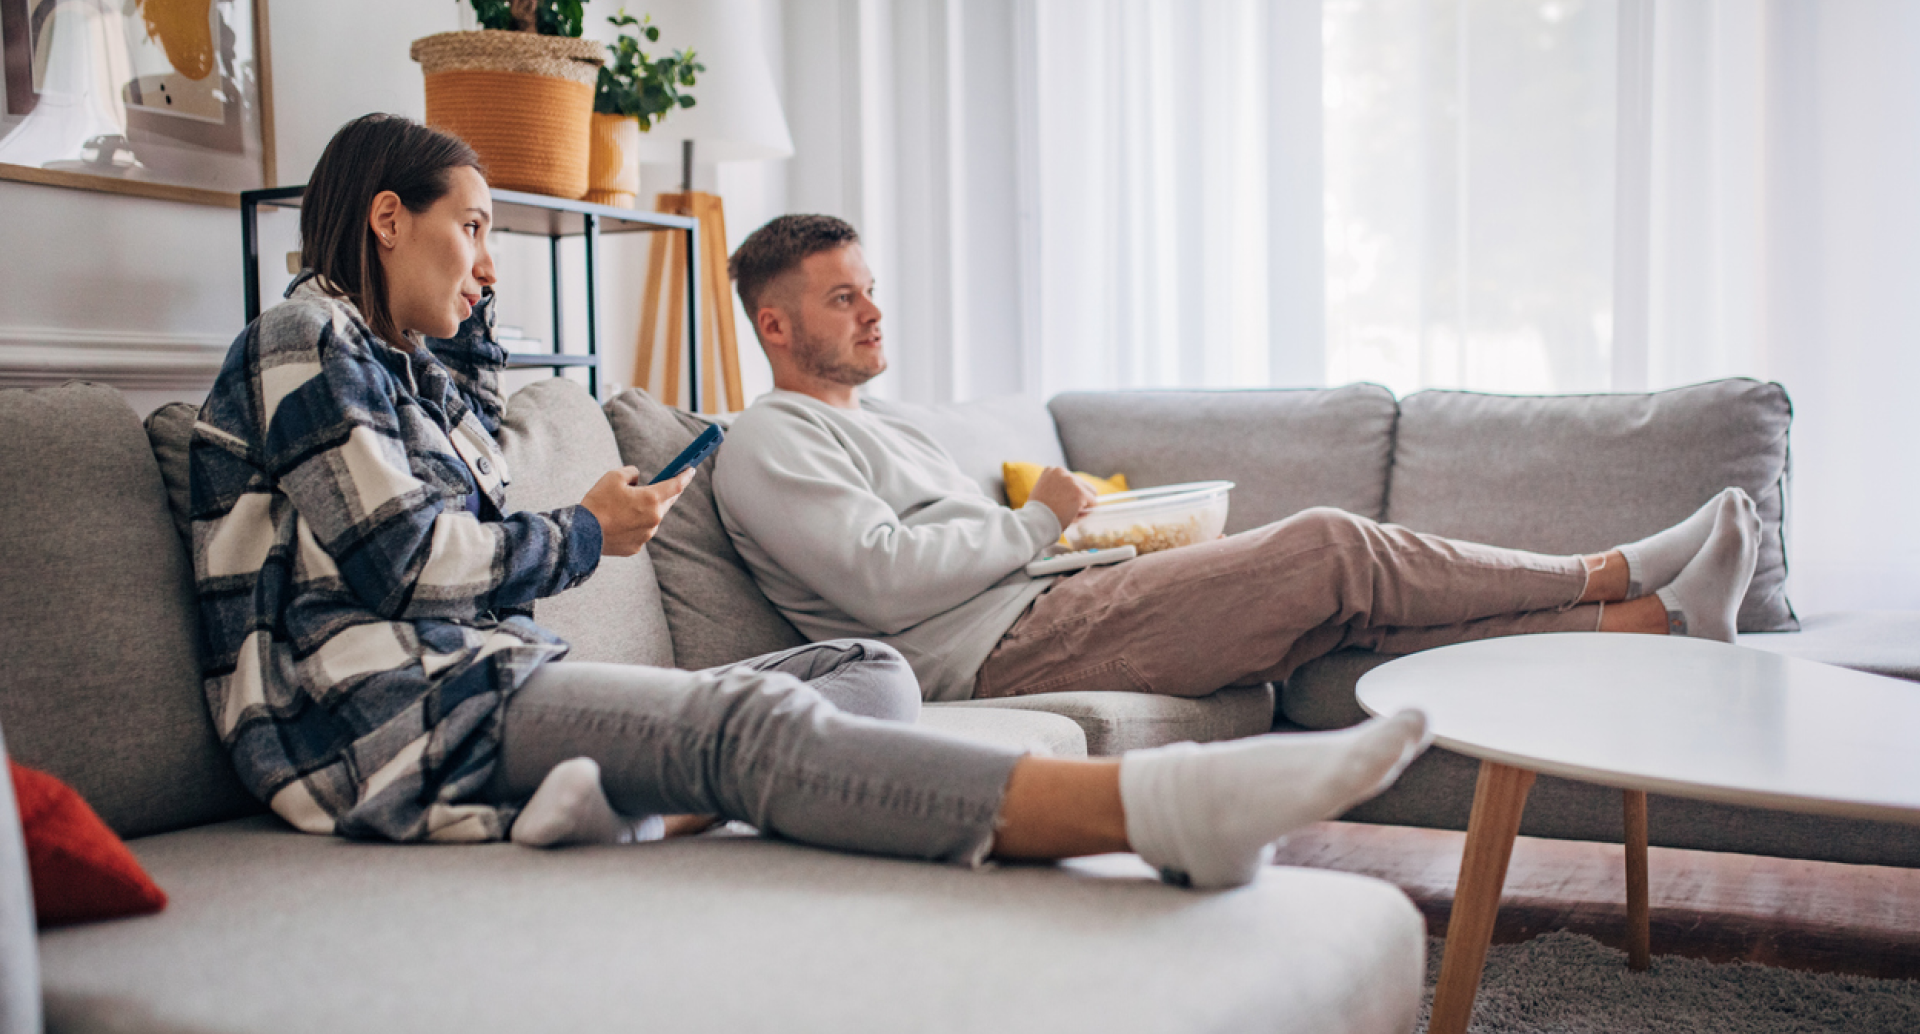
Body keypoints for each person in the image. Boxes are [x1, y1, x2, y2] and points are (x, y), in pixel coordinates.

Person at [185, 113, 1434, 891]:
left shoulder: (412, 372)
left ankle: (625, 803)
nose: (491, 261)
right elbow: (404, 559)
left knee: (863, 672)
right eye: (475, 229)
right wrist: (584, 534)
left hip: (490, 685)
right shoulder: (301, 337)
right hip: (385, 716)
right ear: (387, 219)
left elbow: (462, 523)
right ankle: (1153, 813)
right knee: (745, 725)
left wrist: (479, 373)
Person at [711, 215, 1763, 705]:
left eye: (872, 289)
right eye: (843, 298)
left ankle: (1660, 623)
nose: (874, 312)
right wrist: (1044, 521)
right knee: (1329, 548)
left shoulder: (891, 422)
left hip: (1053, 601)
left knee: (1349, 627)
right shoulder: (769, 440)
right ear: (775, 325)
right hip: (997, 651)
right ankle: (1612, 570)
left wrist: (1087, 542)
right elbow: (879, 577)